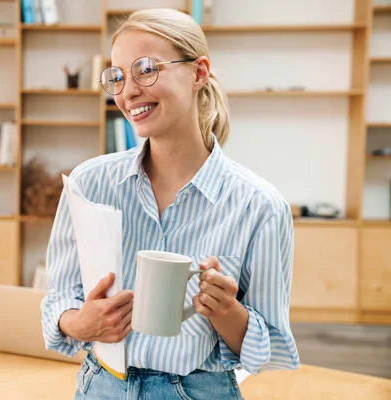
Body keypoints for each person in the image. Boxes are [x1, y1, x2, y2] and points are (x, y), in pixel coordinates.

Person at [41, 8, 300, 400]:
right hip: (101, 386)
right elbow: (60, 296)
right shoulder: (88, 184)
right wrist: (80, 324)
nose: (128, 92)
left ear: (198, 73)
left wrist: (224, 310)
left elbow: (268, 346)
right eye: (117, 77)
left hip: (200, 390)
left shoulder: (259, 206)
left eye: (146, 69)